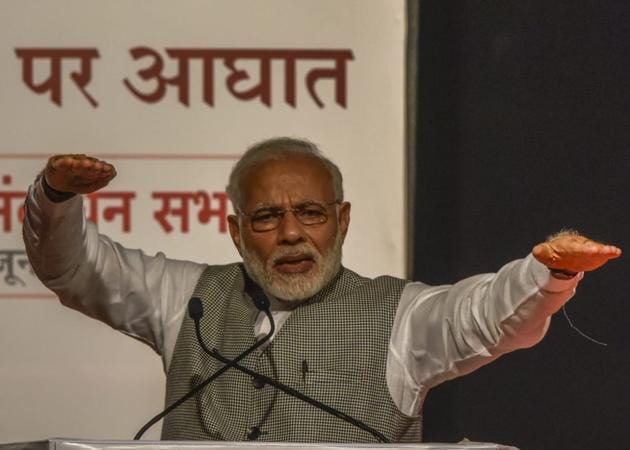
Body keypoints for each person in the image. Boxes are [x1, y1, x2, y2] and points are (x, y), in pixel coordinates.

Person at [23, 137, 621, 443]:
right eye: (265, 218)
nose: (290, 234)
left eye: (310, 213)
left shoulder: (401, 318)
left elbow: (482, 316)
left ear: (342, 220)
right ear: (235, 231)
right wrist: (54, 199)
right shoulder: (188, 300)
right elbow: (75, 269)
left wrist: (546, 273)